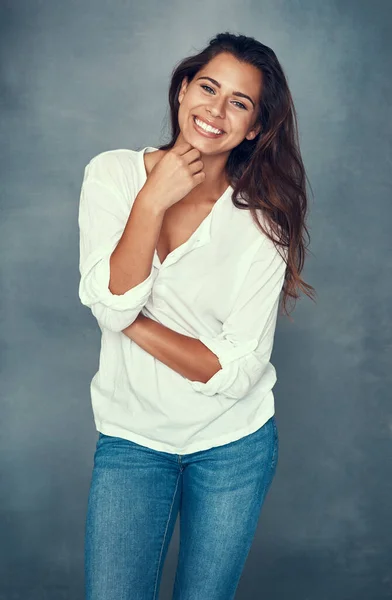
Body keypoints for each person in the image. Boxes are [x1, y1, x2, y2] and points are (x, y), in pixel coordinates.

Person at [78, 31, 315, 600]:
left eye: (239, 102)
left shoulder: (263, 223)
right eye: (208, 88)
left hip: (232, 446)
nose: (215, 109)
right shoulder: (112, 175)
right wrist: (152, 199)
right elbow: (113, 296)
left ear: (255, 127)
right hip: (132, 438)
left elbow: (235, 371)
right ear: (183, 90)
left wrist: (123, 319)